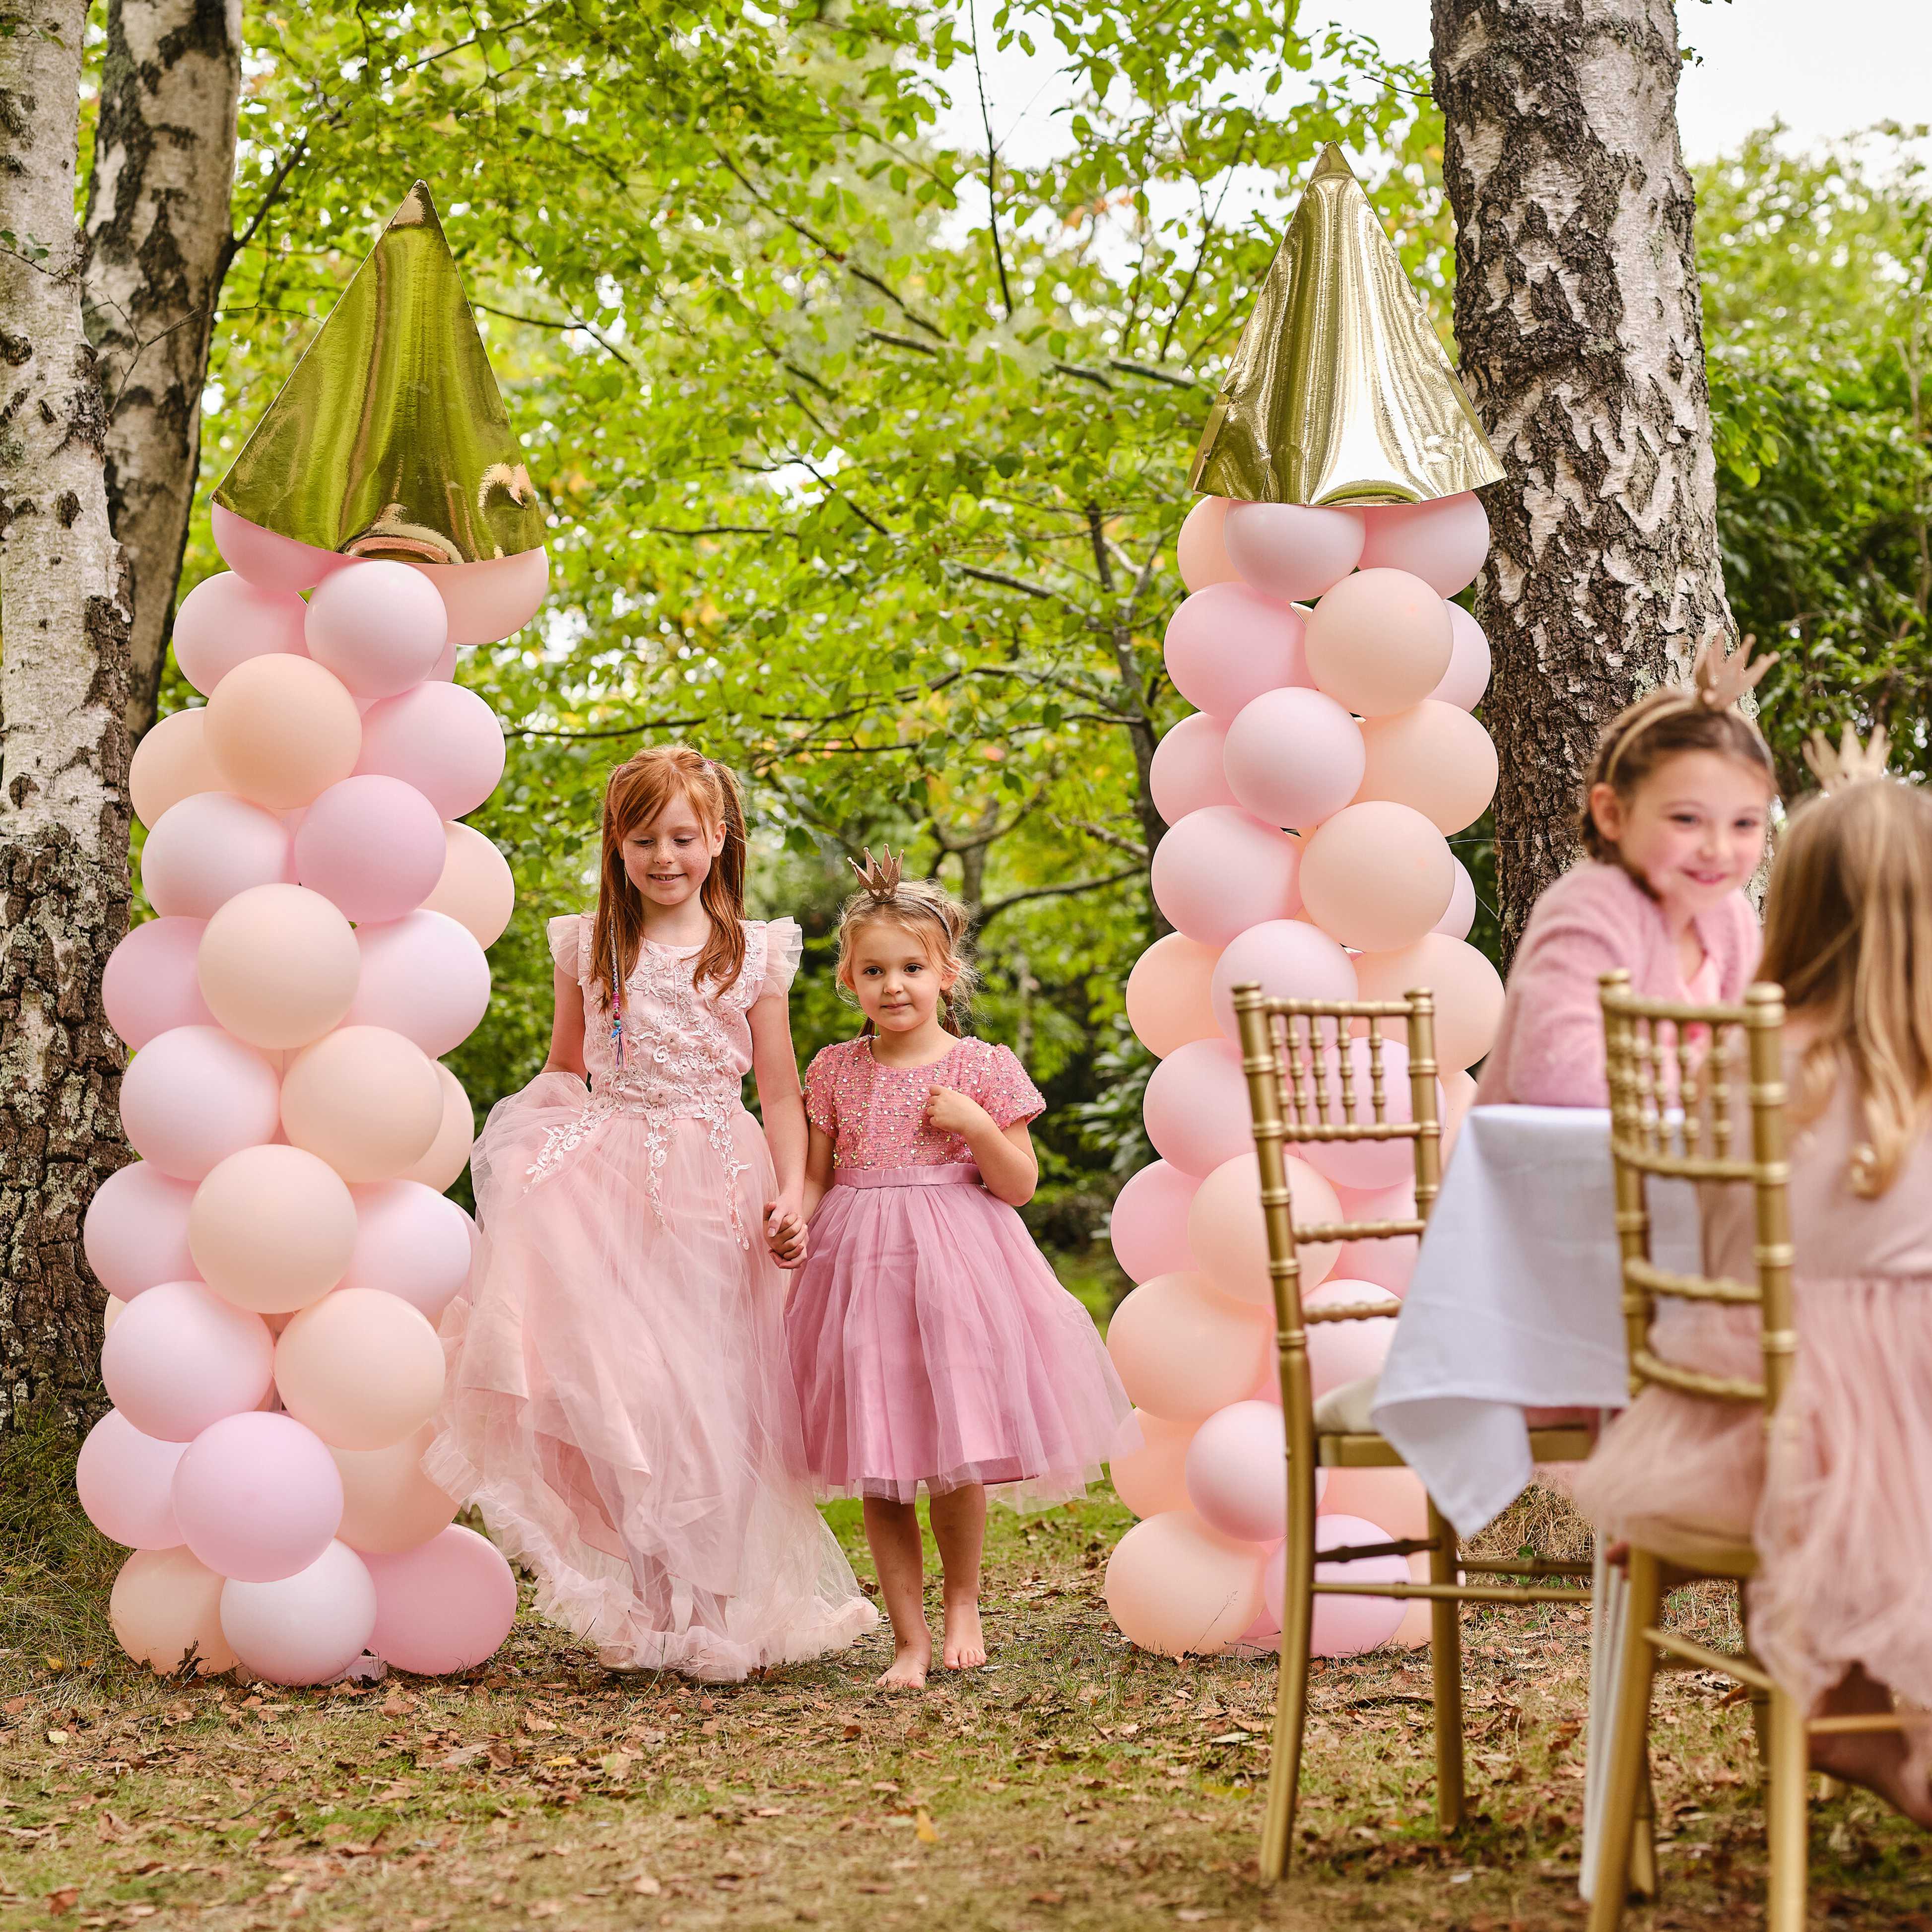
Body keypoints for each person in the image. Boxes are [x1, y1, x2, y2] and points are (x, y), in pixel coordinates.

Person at [428, 745, 877, 1679]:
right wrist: (531, 1165)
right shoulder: (586, 944)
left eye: (682, 836)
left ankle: (711, 1608)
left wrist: (788, 1192)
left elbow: (780, 1091)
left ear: (717, 838)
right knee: (626, 1386)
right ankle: (647, 1601)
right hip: (608, 1181)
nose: (664, 856)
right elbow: (566, 1065)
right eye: (643, 839)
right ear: (617, 844)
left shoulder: (752, 951)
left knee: (710, 1387)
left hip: (718, 1182)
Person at [1576, 738, 1932, 1824]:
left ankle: (1848, 1710)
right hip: (1875, 1426)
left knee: (1838, 1462)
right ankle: (1870, 1724)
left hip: (1757, 1416)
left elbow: (1712, 1257)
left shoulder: (1736, 1058)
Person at [784, 851, 1131, 1689]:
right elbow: (818, 1175)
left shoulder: (981, 1066)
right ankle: (907, 1638)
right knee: (879, 1455)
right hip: (859, 1272)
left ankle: (963, 1602)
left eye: (911, 967)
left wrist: (976, 1124)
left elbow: (1018, 1185)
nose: (893, 985)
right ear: (848, 979)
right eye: (873, 970)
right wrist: (794, 1213)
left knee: (956, 1447)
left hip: (956, 1273)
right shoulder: (833, 1068)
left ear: (946, 973)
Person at [1475, 639, 1778, 1109]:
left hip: (1672, 1150)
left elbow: (1752, 1055)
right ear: (1612, 814)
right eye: (1686, 819)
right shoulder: (1589, 907)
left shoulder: (1730, 918)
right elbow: (1550, 1072)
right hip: (1558, 1153)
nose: (1717, 850)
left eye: (1744, 824)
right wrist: (1712, 1086)